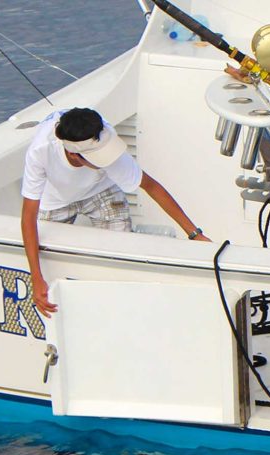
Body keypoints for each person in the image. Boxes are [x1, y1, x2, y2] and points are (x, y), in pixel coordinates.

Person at [20, 107, 211, 318]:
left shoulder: (103, 134)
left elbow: (151, 187)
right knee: (46, 259)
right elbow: (28, 217)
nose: (108, 158)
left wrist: (194, 233)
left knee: (121, 250)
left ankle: (120, 306)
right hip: (54, 198)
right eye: (98, 156)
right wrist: (35, 277)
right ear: (74, 154)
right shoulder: (40, 151)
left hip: (101, 191)